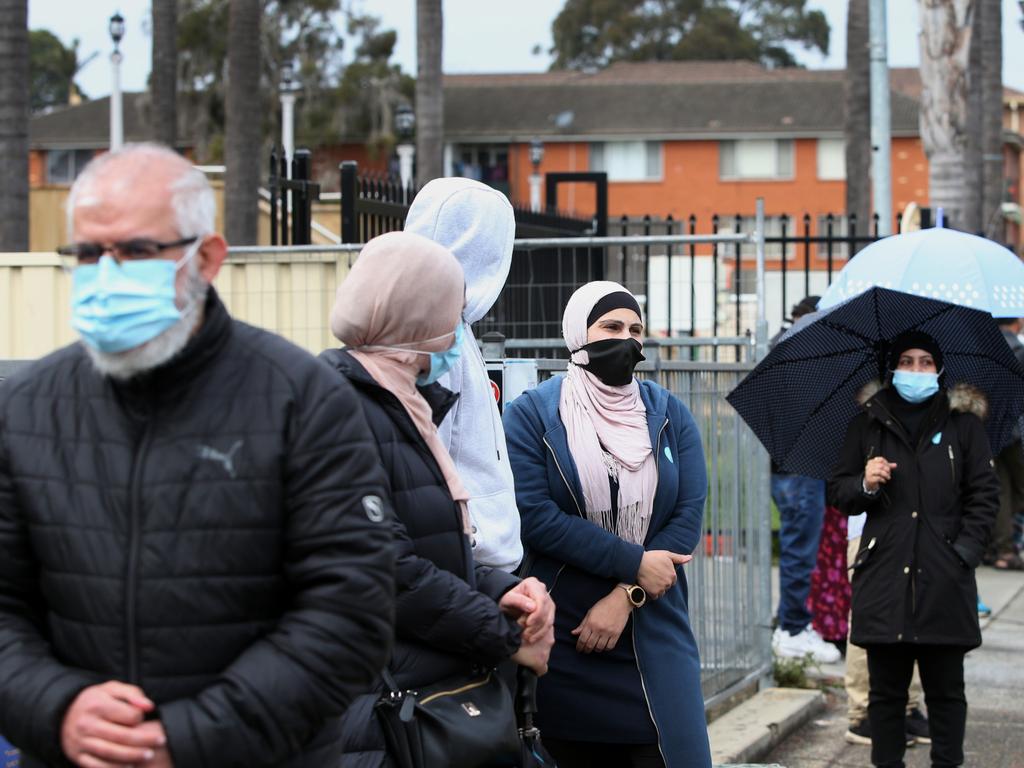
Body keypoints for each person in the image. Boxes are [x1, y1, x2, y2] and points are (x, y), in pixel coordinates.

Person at [0, 144, 397, 767]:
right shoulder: (25, 409)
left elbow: (349, 614)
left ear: (206, 257)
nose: (106, 274)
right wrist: (58, 708)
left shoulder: (302, 399)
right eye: (85, 253)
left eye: (134, 251)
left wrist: (184, 739)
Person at [320, 231, 555, 765]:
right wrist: (501, 635)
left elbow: (426, 541)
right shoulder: (341, 408)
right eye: (450, 314)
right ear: (419, 317)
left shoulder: (405, 404)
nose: (457, 333)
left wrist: (503, 591)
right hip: (378, 716)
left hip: (414, 700)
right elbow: (386, 569)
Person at [503, 281, 711, 768]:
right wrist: (635, 561)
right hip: (567, 634)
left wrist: (627, 593)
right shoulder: (533, 414)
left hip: (654, 628)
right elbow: (535, 516)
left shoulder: (667, 414)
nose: (627, 339)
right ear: (578, 332)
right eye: (611, 326)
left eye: (635, 329)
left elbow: (687, 516)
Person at [830, 331, 998, 768]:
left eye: (926, 362)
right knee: (886, 695)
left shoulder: (964, 426)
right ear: (892, 368)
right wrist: (866, 483)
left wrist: (963, 552)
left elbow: (984, 497)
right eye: (907, 361)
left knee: (946, 692)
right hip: (885, 574)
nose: (916, 370)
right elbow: (840, 492)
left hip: (945, 576)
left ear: (940, 370)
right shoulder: (867, 423)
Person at [404, 177, 523, 572]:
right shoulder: (434, 334)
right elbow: (423, 462)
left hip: (473, 557)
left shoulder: (448, 325)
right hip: (467, 562)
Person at [769, 296, 842, 664]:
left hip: (797, 467)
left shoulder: (789, 351)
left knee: (800, 549)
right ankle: (793, 629)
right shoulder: (798, 353)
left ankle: (791, 622)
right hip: (799, 468)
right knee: (800, 550)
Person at [986, 317, 1024, 571]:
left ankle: (1000, 547)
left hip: (990, 430)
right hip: (1014, 431)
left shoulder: (984, 346)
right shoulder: (1018, 351)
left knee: (1000, 489)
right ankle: (1005, 546)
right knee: (1013, 489)